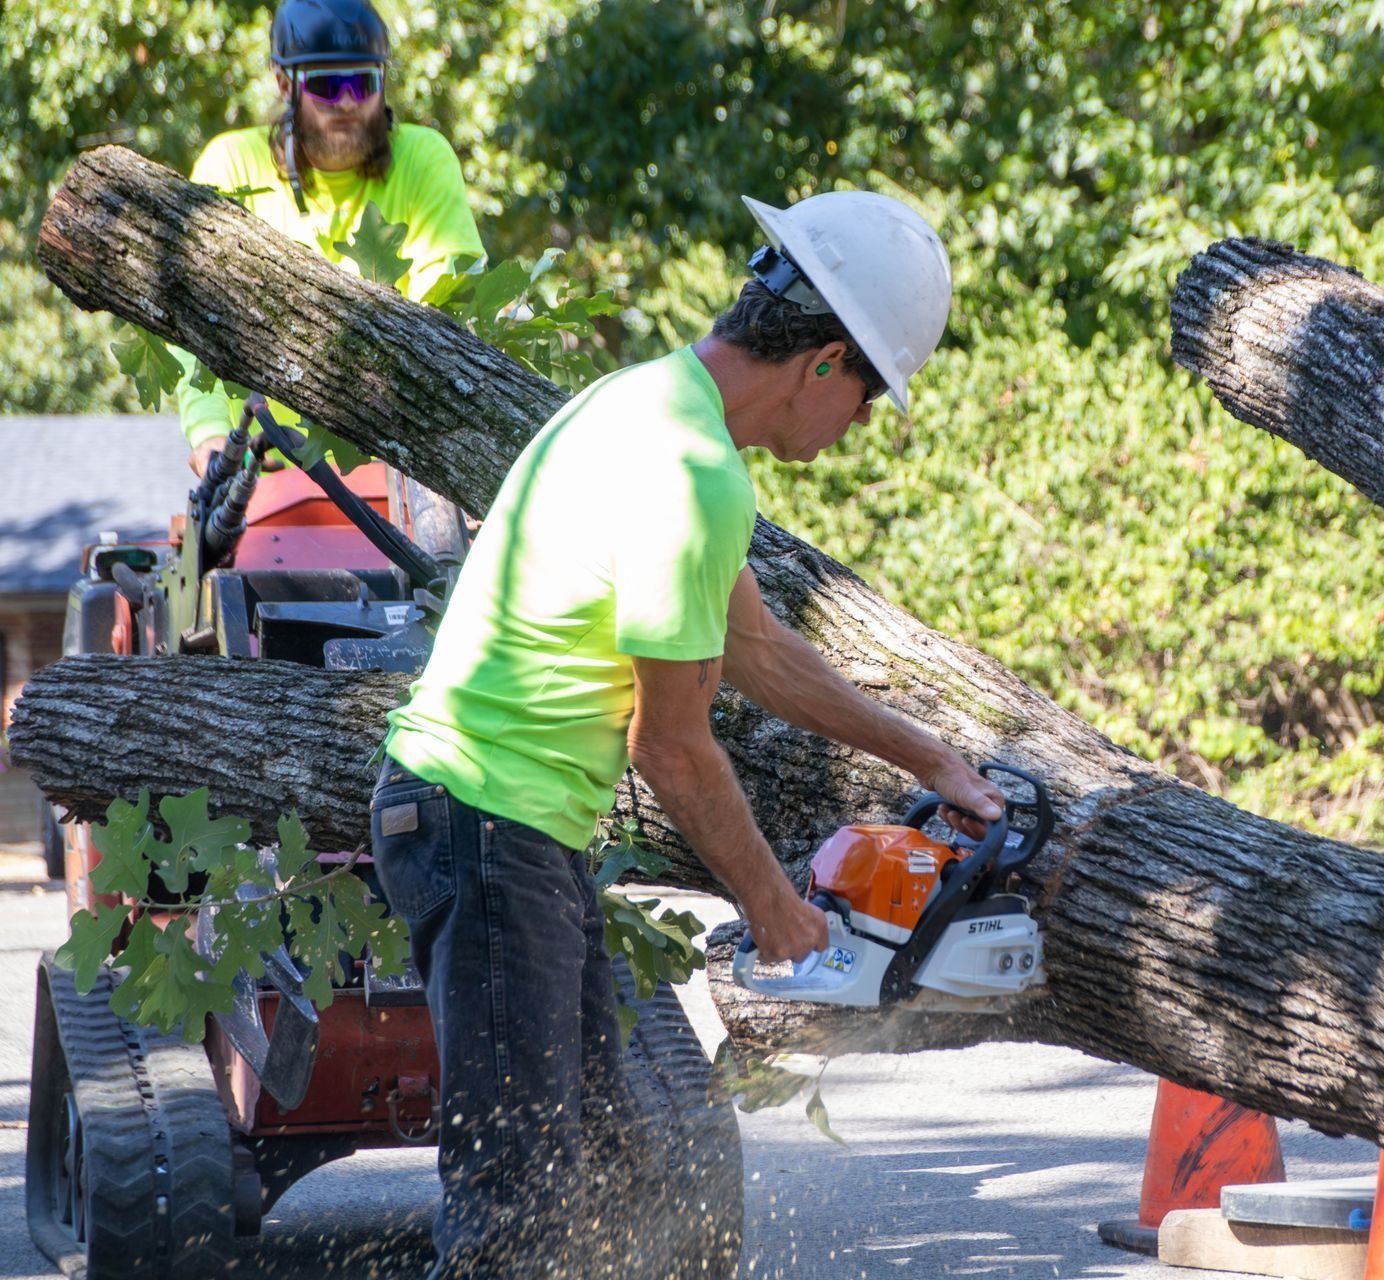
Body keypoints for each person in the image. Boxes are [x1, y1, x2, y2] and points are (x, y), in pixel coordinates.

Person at [370, 189, 1005, 1278]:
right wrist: (776, 908)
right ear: (822, 363)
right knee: (513, 1213)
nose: (855, 427)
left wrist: (931, 756)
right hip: (485, 826)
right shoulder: (691, 473)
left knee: (622, 1167)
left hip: (505, 831)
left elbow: (758, 652)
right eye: (864, 398)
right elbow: (672, 748)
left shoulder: (654, 407)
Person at [173, 0, 484, 475]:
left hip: (401, 462)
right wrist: (212, 436)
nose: (345, 102)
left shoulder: (425, 159)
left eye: (362, 83)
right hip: (265, 465)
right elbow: (194, 319)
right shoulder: (231, 164)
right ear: (284, 84)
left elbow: (450, 308)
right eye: (324, 84)